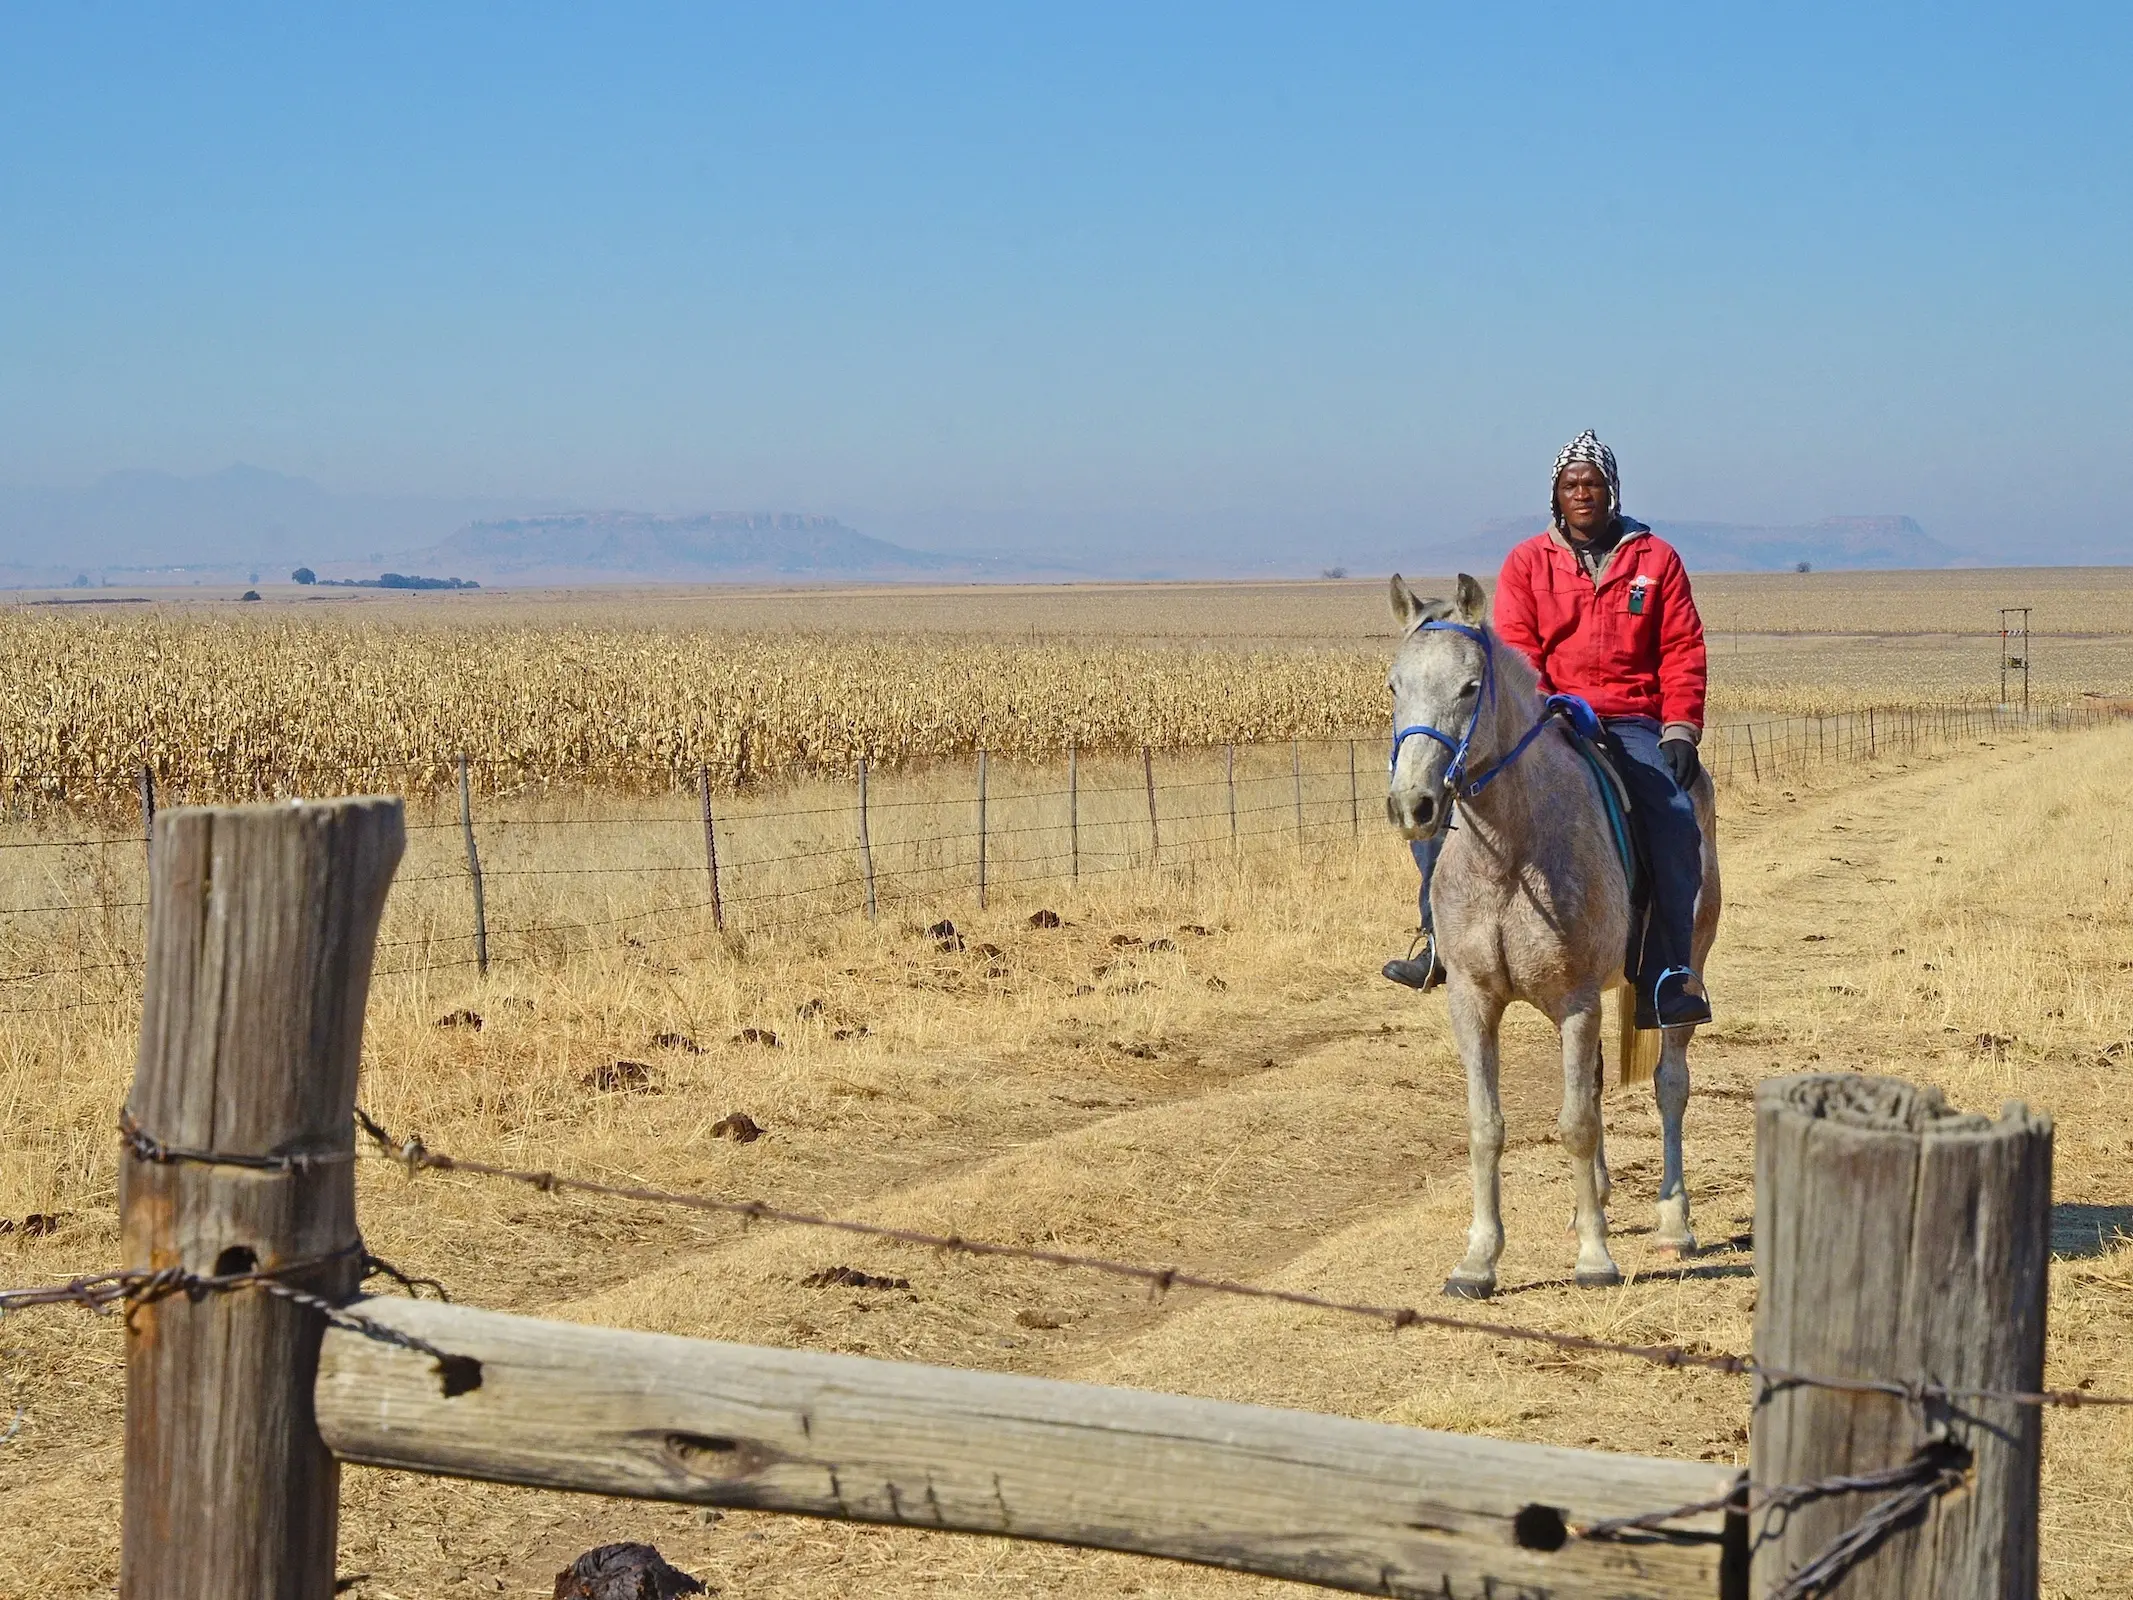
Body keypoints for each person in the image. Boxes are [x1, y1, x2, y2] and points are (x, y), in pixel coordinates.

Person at [1383, 430, 1712, 1029]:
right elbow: (1517, 648)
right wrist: (1543, 707)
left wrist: (1680, 729)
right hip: (1547, 716)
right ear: (1556, 495)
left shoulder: (1655, 559)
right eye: (1570, 484)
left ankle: (1667, 973)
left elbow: (1682, 647)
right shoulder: (1528, 561)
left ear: (1611, 491)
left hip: (1632, 717)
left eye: (1592, 482)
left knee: (1672, 813)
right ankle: (1437, 943)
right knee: (1447, 797)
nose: (1581, 492)